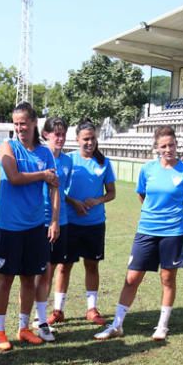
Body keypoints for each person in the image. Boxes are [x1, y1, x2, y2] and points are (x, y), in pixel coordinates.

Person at [93, 126, 183, 341]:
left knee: (167, 278)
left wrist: (174, 213)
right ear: (157, 148)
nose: (168, 149)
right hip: (147, 230)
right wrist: (155, 213)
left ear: (177, 144)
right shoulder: (147, 169)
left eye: (172, 144)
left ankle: (162, 326)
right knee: (132, 278)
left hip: (174, 232)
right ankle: (117, 325)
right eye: (164, 146)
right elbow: (142, 195)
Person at [0, 102, 60, 350]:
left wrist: (53, 219)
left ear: (33, 123)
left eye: (23, 123)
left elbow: (55, 187)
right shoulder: (8, 147)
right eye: (16, 123)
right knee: (6, 278)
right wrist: (42, 175)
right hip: (9, 225)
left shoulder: (45, 154)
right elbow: (14, 177)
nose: (19, 127)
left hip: (35, 226)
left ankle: (23, 328)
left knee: (29, 279)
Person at [54, 120, 116, 327]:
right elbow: (59, 189)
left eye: (93, 139)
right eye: (86, 139)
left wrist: (97, 200)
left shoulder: (104, 162)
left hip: (95, 223)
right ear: (77, 140)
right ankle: (58, 310)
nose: (90, 142)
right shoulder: (69, 159)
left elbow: (111, 193)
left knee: (92, 265)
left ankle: (91, 308)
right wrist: (74, 202)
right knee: (64, 266)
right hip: (69, 222)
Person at [35, 116, 73, 341]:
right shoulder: (40, 156)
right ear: (46, 135)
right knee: (41, 273)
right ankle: (36, 319)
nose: (60, 138)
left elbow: (63, 191)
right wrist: (51, 220)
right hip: (41, 221)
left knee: (52, 271)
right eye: (56, 133)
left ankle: (40, 317)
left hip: (63, 221)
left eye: (63, 133)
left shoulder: (68, 161)